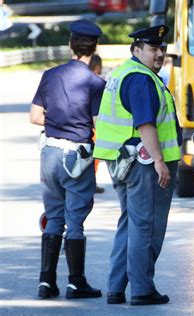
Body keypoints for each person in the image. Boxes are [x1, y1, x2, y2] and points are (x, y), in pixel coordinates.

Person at [93, 25, 181, 306]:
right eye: (153, 49)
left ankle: (116, 288)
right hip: (143, 162)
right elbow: (145, 123)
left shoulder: (121, 73)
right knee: (146, 226)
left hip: (122, 160)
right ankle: (142, 289)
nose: (159, 54)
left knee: (129, 223)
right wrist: (159, 161)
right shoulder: (141, 79)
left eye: (162, 49)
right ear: (136, 50)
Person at [30, 19, 105, 300]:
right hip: (78, 156)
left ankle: (46, 282)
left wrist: (58, 119)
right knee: (75, 220)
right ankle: (76, 282)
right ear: (94, 47)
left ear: (71, 45)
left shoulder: (50, 75)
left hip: (49, 152)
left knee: (53, 217)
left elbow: (35, 117)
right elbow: (98, 123)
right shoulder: (96, 83)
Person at [88, 54, 106, 194]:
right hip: (94, 125)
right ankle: (91, 182)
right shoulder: (98, 83)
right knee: (94, 158)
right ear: (98, 66)